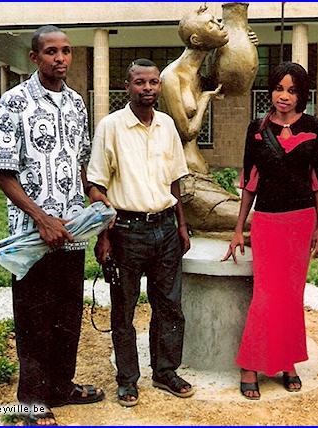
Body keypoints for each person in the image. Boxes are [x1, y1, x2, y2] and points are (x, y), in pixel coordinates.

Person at [0, 25, 104, 426]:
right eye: (51, 52)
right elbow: (0, 170)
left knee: (68, 314)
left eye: (66, 51)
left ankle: (60, 386)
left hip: (73, 233)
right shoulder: (14, 102)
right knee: (34, 317)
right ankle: (31, 400)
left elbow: (81, 161)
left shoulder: (75, 104)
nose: (60, 59)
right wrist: (41, 218)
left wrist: (94, 196)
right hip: (33, 236)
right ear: (34, 58)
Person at [86, 58, 193, 407]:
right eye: (140, 82)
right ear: (127, 85)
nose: (148, 88)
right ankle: (128, 380)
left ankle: (165, 372)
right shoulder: (111, 126)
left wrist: (181, 224)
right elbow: (95, 184)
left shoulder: (167, 126)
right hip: (126, 232)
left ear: (160, 86)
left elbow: (175, 179)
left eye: (153, 83)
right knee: (124, 312)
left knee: (170, 307)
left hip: (164, 229)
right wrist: (103, 236)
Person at [222, 62, 318, 399]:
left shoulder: (313, 126)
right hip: (267, 222)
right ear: (271, 91)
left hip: (301, 222)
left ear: (302, 95)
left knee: (292, 296)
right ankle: (250, 365)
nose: (284, 96)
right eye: (279, 89)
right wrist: (239, 228)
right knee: (266, 296)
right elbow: (249, 183)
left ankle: (287, 363)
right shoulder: (256, 128)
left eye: (292, 90)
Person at [158, 4, 227, 173]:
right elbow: (186, 132)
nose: (220, 25)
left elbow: (236, 87)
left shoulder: (199, 75)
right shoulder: (171, 77)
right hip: (180, 170)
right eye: (211, 24)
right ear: (196, 40)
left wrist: (246, 41)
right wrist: (204, 98)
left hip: (197, 165)